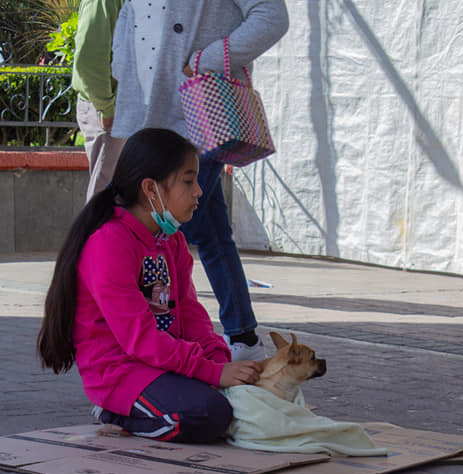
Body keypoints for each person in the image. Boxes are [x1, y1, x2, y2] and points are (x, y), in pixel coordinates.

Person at [37, 128, 261, 443]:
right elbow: (139, 339)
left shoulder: (173, 241)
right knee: (211, 414)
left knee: (240, 402)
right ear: (150, 189)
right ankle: (115, 414)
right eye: (188, 181)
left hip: (163, 364)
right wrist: (211, 374)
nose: (199, 191)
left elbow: (190, 311)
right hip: (121, 374)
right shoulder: (109, 243)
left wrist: (221, 365)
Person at [110, 0, 289, 362]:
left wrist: (206, 59)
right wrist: (121, 69)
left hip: (197, 113)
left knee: (162, 232)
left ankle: (159, 341)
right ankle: (243, 337)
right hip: (149, 111)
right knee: (208, 233)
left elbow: (272, 16)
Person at [73, 0, 126, 201]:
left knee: (115, 198)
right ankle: (91, 234)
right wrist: (107, 108)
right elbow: (88, 60)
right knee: (104, 200)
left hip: (117, 109)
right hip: (109, 111)